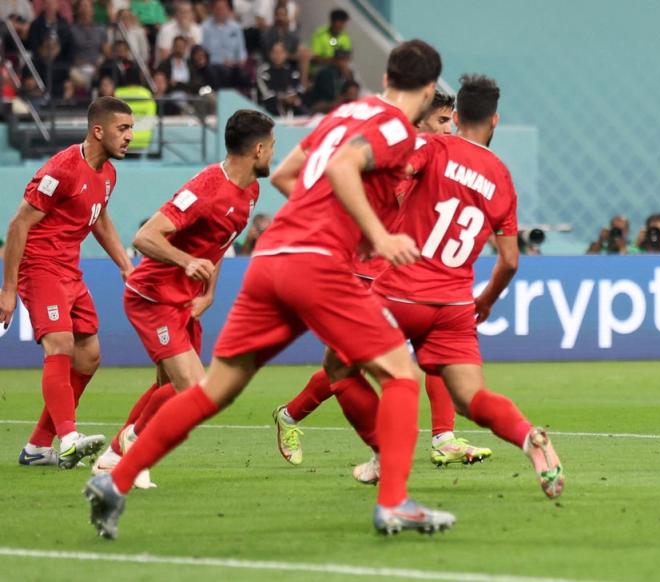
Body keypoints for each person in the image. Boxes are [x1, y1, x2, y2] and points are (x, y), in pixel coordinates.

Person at [83, 39, 447, 539]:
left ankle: (116, 480)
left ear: (386, 76)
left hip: (272, 258)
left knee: (214, 389)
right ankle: (395, 503)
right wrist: (375, 235)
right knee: (403, 374)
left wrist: (334, 221)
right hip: (316, 265)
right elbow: (342, 170)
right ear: (428, 89)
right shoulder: (393, 129)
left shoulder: (346, 114)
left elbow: (286, 175)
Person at [272, 90, 495, 474]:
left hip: (402, 274)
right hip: (359, 270)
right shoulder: (390, 151)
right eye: (442, 120)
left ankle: (443, 439)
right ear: (421, 118)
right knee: (348, 364)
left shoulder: (431, 158)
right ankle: (293, 416)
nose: (449, 127)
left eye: (450, 120)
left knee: (434, 355)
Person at [370, 74, 564, 497]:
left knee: (343, 365)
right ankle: (528, 436)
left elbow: (391, 174)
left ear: (454, 117)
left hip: (399, 291)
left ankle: (382, 457)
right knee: (470, 397)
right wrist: (486, 300)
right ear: (495, 120)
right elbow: (510, 260)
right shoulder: (502, 177)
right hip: (456, 303)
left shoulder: (434, 146)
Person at [90, 109, 273, 489]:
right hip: (152, 296)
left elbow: (219, 245)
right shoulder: (207, 188)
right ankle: (134, 445)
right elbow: (145, 238)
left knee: (167, 388)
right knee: (194, 388)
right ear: (257, 149)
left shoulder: (250, 189)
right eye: (271, 146)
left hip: (183, 300)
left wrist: (209, 291)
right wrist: (186, 261)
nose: (273, 154)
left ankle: (111, 459)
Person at [1, 97, 134, 469]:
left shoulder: (108, 174)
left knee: (89, 355)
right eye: (122, 129)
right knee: (59, 342)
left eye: (130, 129)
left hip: (70, 270)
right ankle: (70, 437)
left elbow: (99, 219)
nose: (129, 137)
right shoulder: (61, 169)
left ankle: (38, 446)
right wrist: (8, 290)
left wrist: (126, 265)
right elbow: (18, 225)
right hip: (39, 266)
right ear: (98, 130)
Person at [201, 0, 247, 90]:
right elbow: (203, 52)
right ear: (212, 9)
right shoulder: (204, 28)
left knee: (243, 75)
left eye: (223, 8)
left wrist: (238, 61)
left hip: (233, 67)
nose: (220, 11)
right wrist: (222, 62)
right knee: (216, 71)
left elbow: (241, 51)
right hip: (212, 67)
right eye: (218, 8)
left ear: (229, 10)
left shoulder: (236, 27)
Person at [256, 40, 305, 116]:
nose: (278, 55)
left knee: (300, 107)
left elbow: (299, 88)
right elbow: (266, 93)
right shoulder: (263, 71)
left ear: (286, 54)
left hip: (291, 105)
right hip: (270, 107)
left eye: (281, 52)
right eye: (275, 52)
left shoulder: (291, 70)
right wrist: (282, 98)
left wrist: (292, 96)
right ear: (270, 54)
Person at [155, 0, 202, 66]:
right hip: (167, 67)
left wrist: (189, 35)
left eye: (187, 12)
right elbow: (164, 57)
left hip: (190, 68)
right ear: (176, 14)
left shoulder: (197, 29)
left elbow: (199, 55)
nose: (185, 15)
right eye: (182, 12)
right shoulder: (166, 29)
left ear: (192, 14)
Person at [307, 48, 353, 114]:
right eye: (342, 60)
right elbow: (330, 94)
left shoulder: (348, 73)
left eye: (346, 60)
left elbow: (353, 89)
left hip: (338, 103)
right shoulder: (326, 73)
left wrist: (347, 77)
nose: (344, 63)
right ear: (335, 60)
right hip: (323, 103)